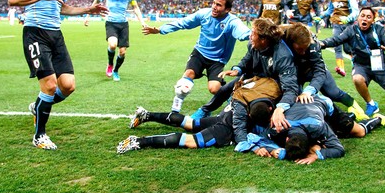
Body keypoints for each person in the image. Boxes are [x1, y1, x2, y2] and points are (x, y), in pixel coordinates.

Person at [7, 0, 108, 150]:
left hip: (56, 34)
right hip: (35, 32)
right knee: (50, 85)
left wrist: (87, 10)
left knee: (68, 86)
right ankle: (39, 136)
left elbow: (62, 8)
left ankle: (38, 107)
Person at [141, 0, 250, 114]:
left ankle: (222, 96)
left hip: (217, 60)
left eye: (219, 5)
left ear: (227, 9)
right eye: (213, 3)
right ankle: (175, 110)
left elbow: (243, 33)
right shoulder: (204, 14)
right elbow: (183, 22)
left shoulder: (232, 22)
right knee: (186, 79)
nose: (214, 7)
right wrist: (160, 29)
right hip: (199, 53)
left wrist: (254, 35)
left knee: (214, 89)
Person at [117, 78, 277, 154]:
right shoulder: (273, 89)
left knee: (191, 123)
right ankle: (138, 141)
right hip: (227, 126)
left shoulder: (259, 80)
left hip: (228, 112)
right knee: (192, 140)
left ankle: (146, 115)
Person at [319, 6, 385, 117]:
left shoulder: (379, 29)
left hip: (379, 64)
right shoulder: (351, 30)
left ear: (373, 20)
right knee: (357, 79)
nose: (365, 19)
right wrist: (323, 43)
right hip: (361, 65)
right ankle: (371, 104)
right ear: (358, 17)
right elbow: (337, 40)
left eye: (368, 17)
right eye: (362, 16)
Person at [281, 22, 367, 120]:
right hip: (292, 70)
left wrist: (309, 91)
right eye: (300, 49)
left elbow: (319, 71)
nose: (303, 52)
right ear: (291, 42)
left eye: (306, 48)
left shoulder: (313, 44)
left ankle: (353, 104)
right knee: (291, 96)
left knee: (333, 93)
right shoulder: (281, 38)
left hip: (311, 69)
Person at [91, 0, 147, 82]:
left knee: (122, 52)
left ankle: (116, 71)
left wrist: (142, 22)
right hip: (111, 22)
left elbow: (135, 7)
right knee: (112, 45)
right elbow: (97, 1)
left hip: (123, 24)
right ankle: (110, 64)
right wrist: (87, 15)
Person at [322, 0, 359, 77]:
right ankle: (341, 68)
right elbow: (329, 10)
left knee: (348, 48)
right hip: (336, 24)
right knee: (337, 46)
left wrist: (348, 18)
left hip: (348, 25)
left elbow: (356, 11)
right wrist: (320, 16)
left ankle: (355, 67)